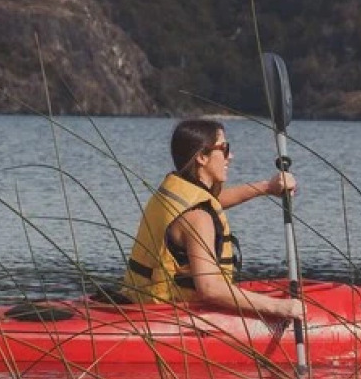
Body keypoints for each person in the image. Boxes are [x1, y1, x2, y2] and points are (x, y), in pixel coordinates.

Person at [121, 118, 305, 320]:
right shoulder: (198, 218)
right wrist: (280, 307)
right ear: (202, 157)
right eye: (224, 149)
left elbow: (213, 202)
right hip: (169, 319)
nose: (230, 156)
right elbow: (210, 289)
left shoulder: (178, 193)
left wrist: (266, 188)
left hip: (137, 303)